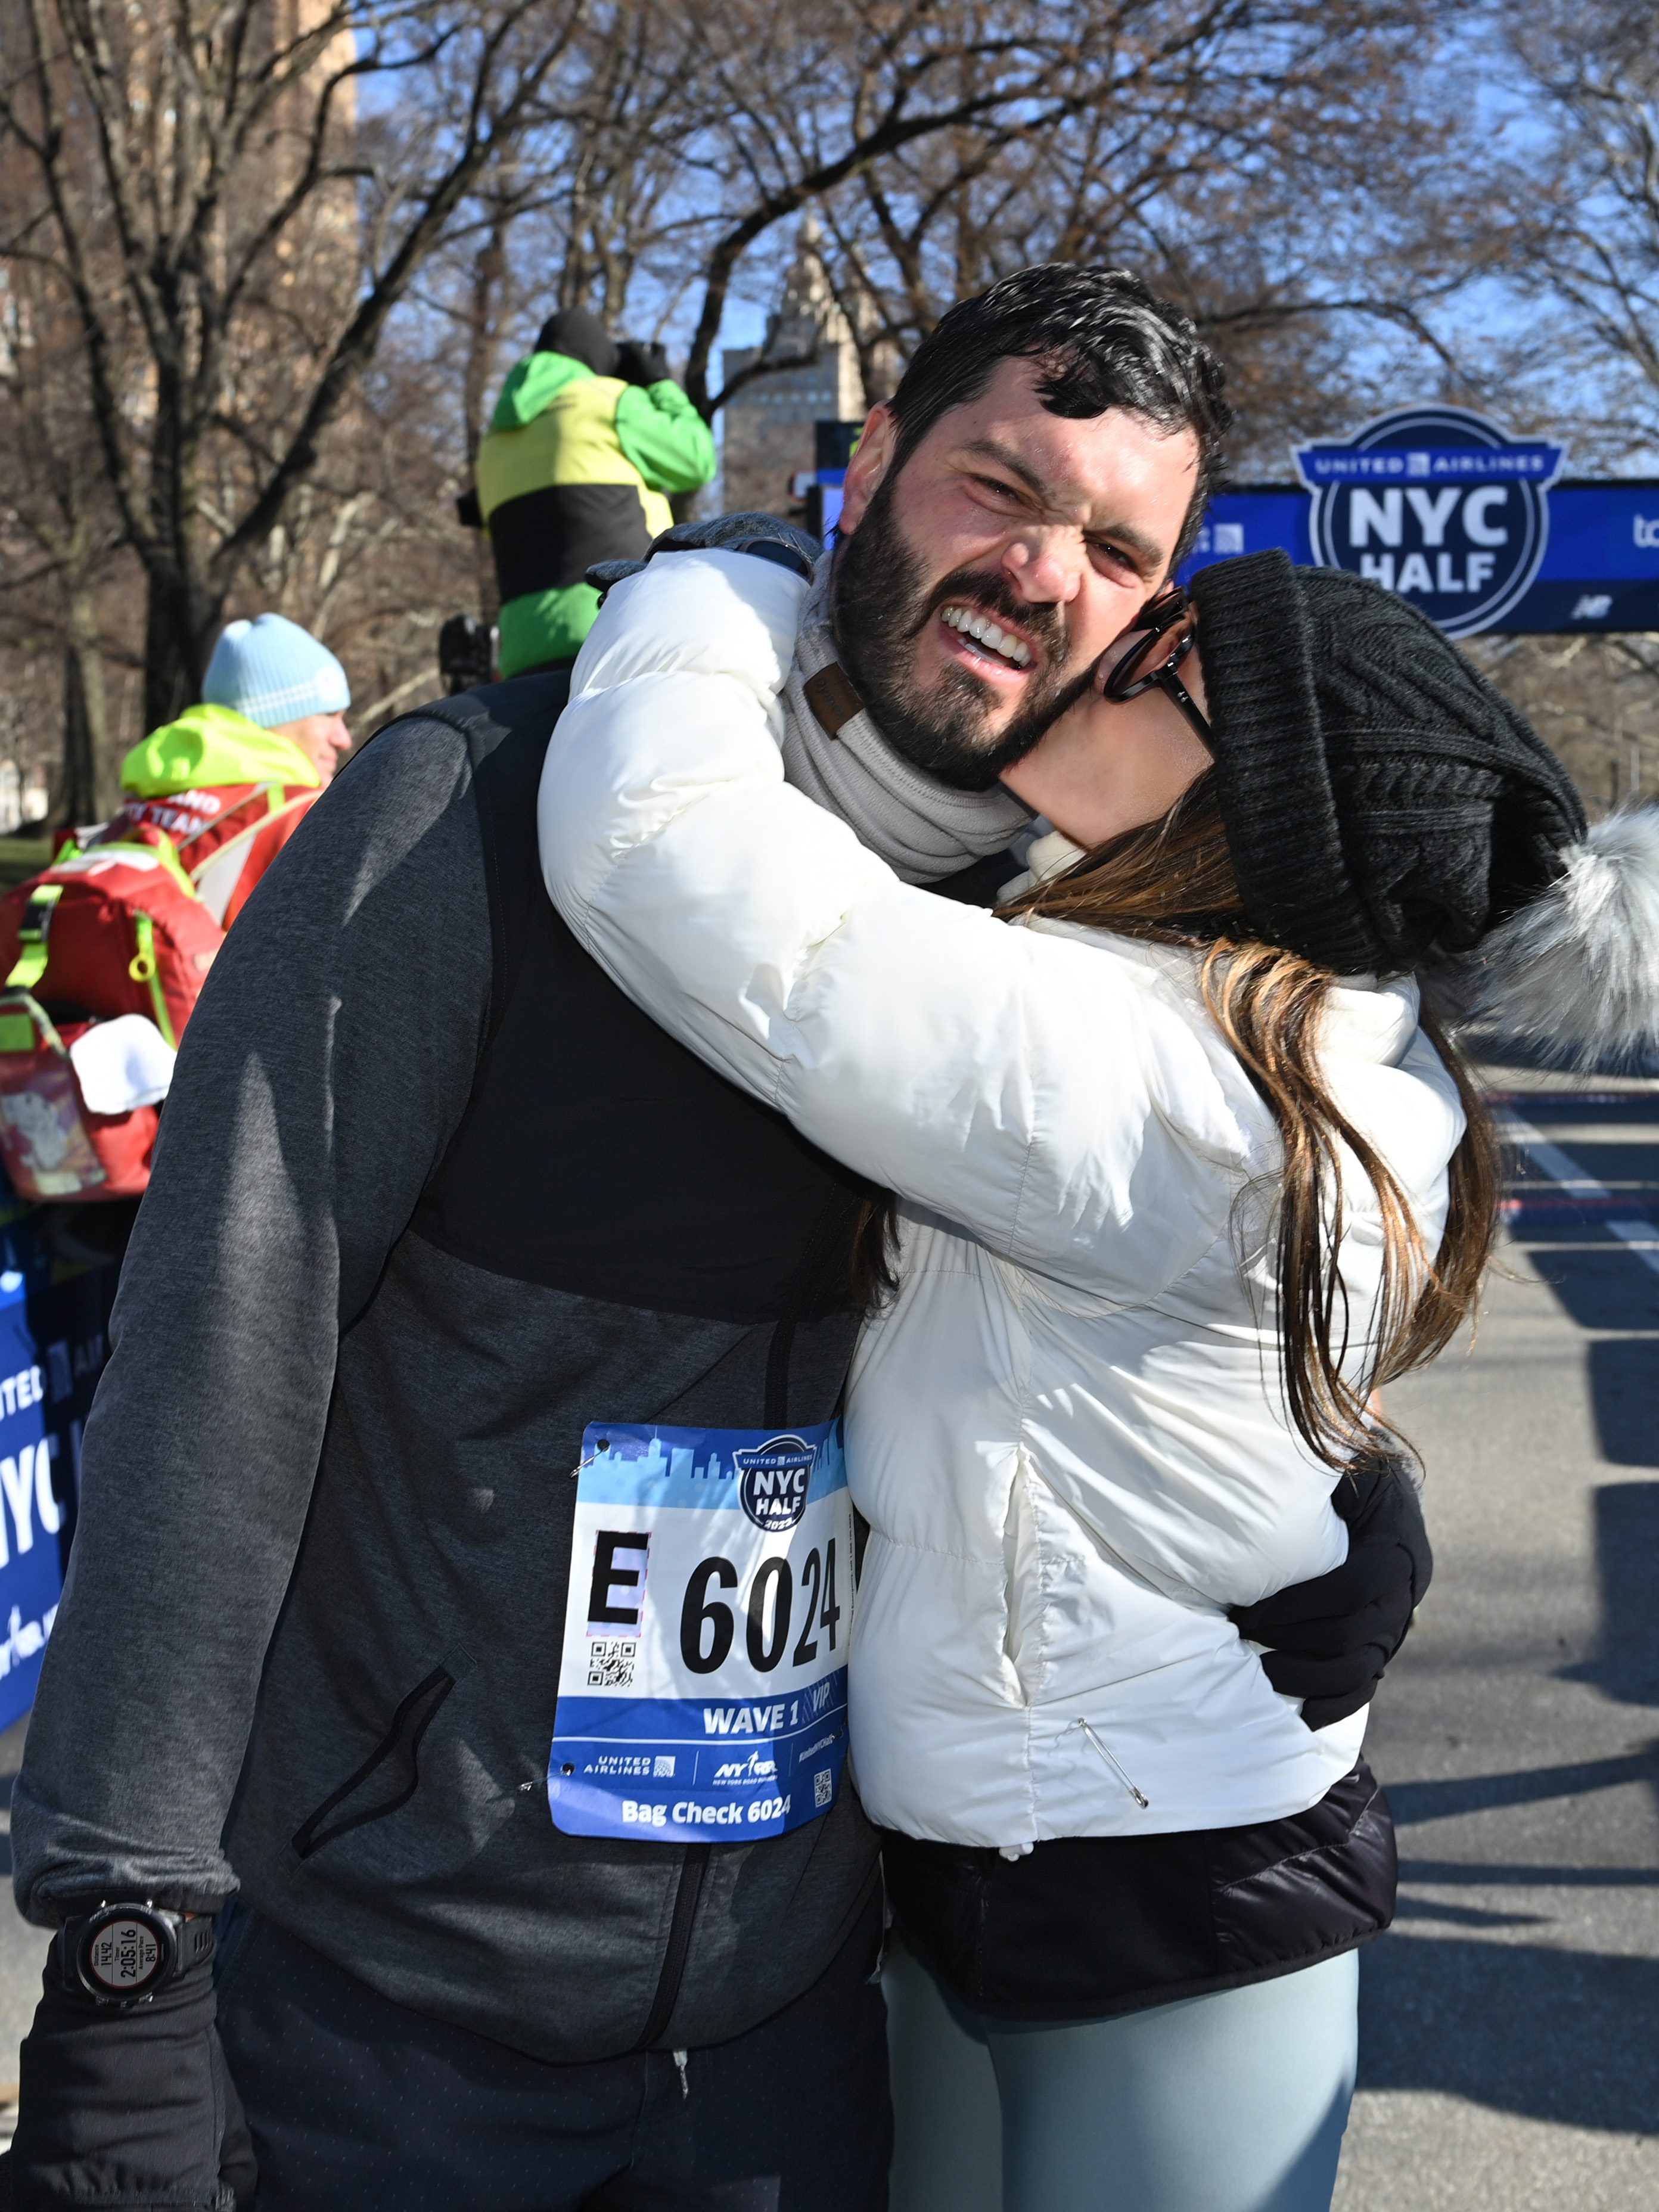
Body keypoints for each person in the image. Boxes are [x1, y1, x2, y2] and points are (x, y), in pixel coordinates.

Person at [7, 268, 1425, 2212]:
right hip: (397, 2029)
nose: (1039, 571)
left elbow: (1133, 1311)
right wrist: (120, 1945)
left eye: (1114, 546)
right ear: (867, 485)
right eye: (995, 487)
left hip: (789, 2039)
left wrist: (1332, 1483)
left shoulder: (1066, 923)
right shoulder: (465, 822)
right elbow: (214, 1375)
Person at [536, 533, 1652, 2212]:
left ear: (1255, 804)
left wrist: (721, 590)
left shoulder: (1146, 1067)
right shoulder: (1207, 1017)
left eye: (1170, 653)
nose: (1108, 643)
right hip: (1015, 1839)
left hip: (1158, 1889)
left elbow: (664, 855)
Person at [470, 306, 717, 679]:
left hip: (524, 650)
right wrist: (658, 383)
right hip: (619, 623)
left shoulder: (493, 442)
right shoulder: (609, 400)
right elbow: (697, 460)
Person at [113, 613, 353, 925]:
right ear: (274, 715)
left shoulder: (149, 796)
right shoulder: (303, 818)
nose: (344, 739)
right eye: (328, 715)